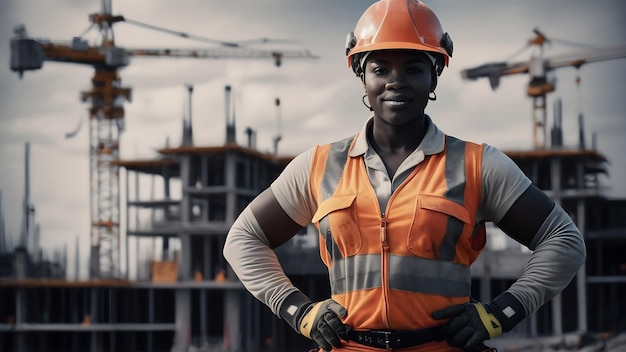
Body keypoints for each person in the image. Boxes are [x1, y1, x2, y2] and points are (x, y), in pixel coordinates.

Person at [223, 0, 587, 351]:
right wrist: (298, 311)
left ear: (435, 76)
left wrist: (502, 312)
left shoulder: (478, 164)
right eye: (381, 69)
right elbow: (243, 239)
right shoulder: (319, 165)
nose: (395, 82)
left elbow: (564, 240)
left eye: (413, 69)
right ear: (360, 75)